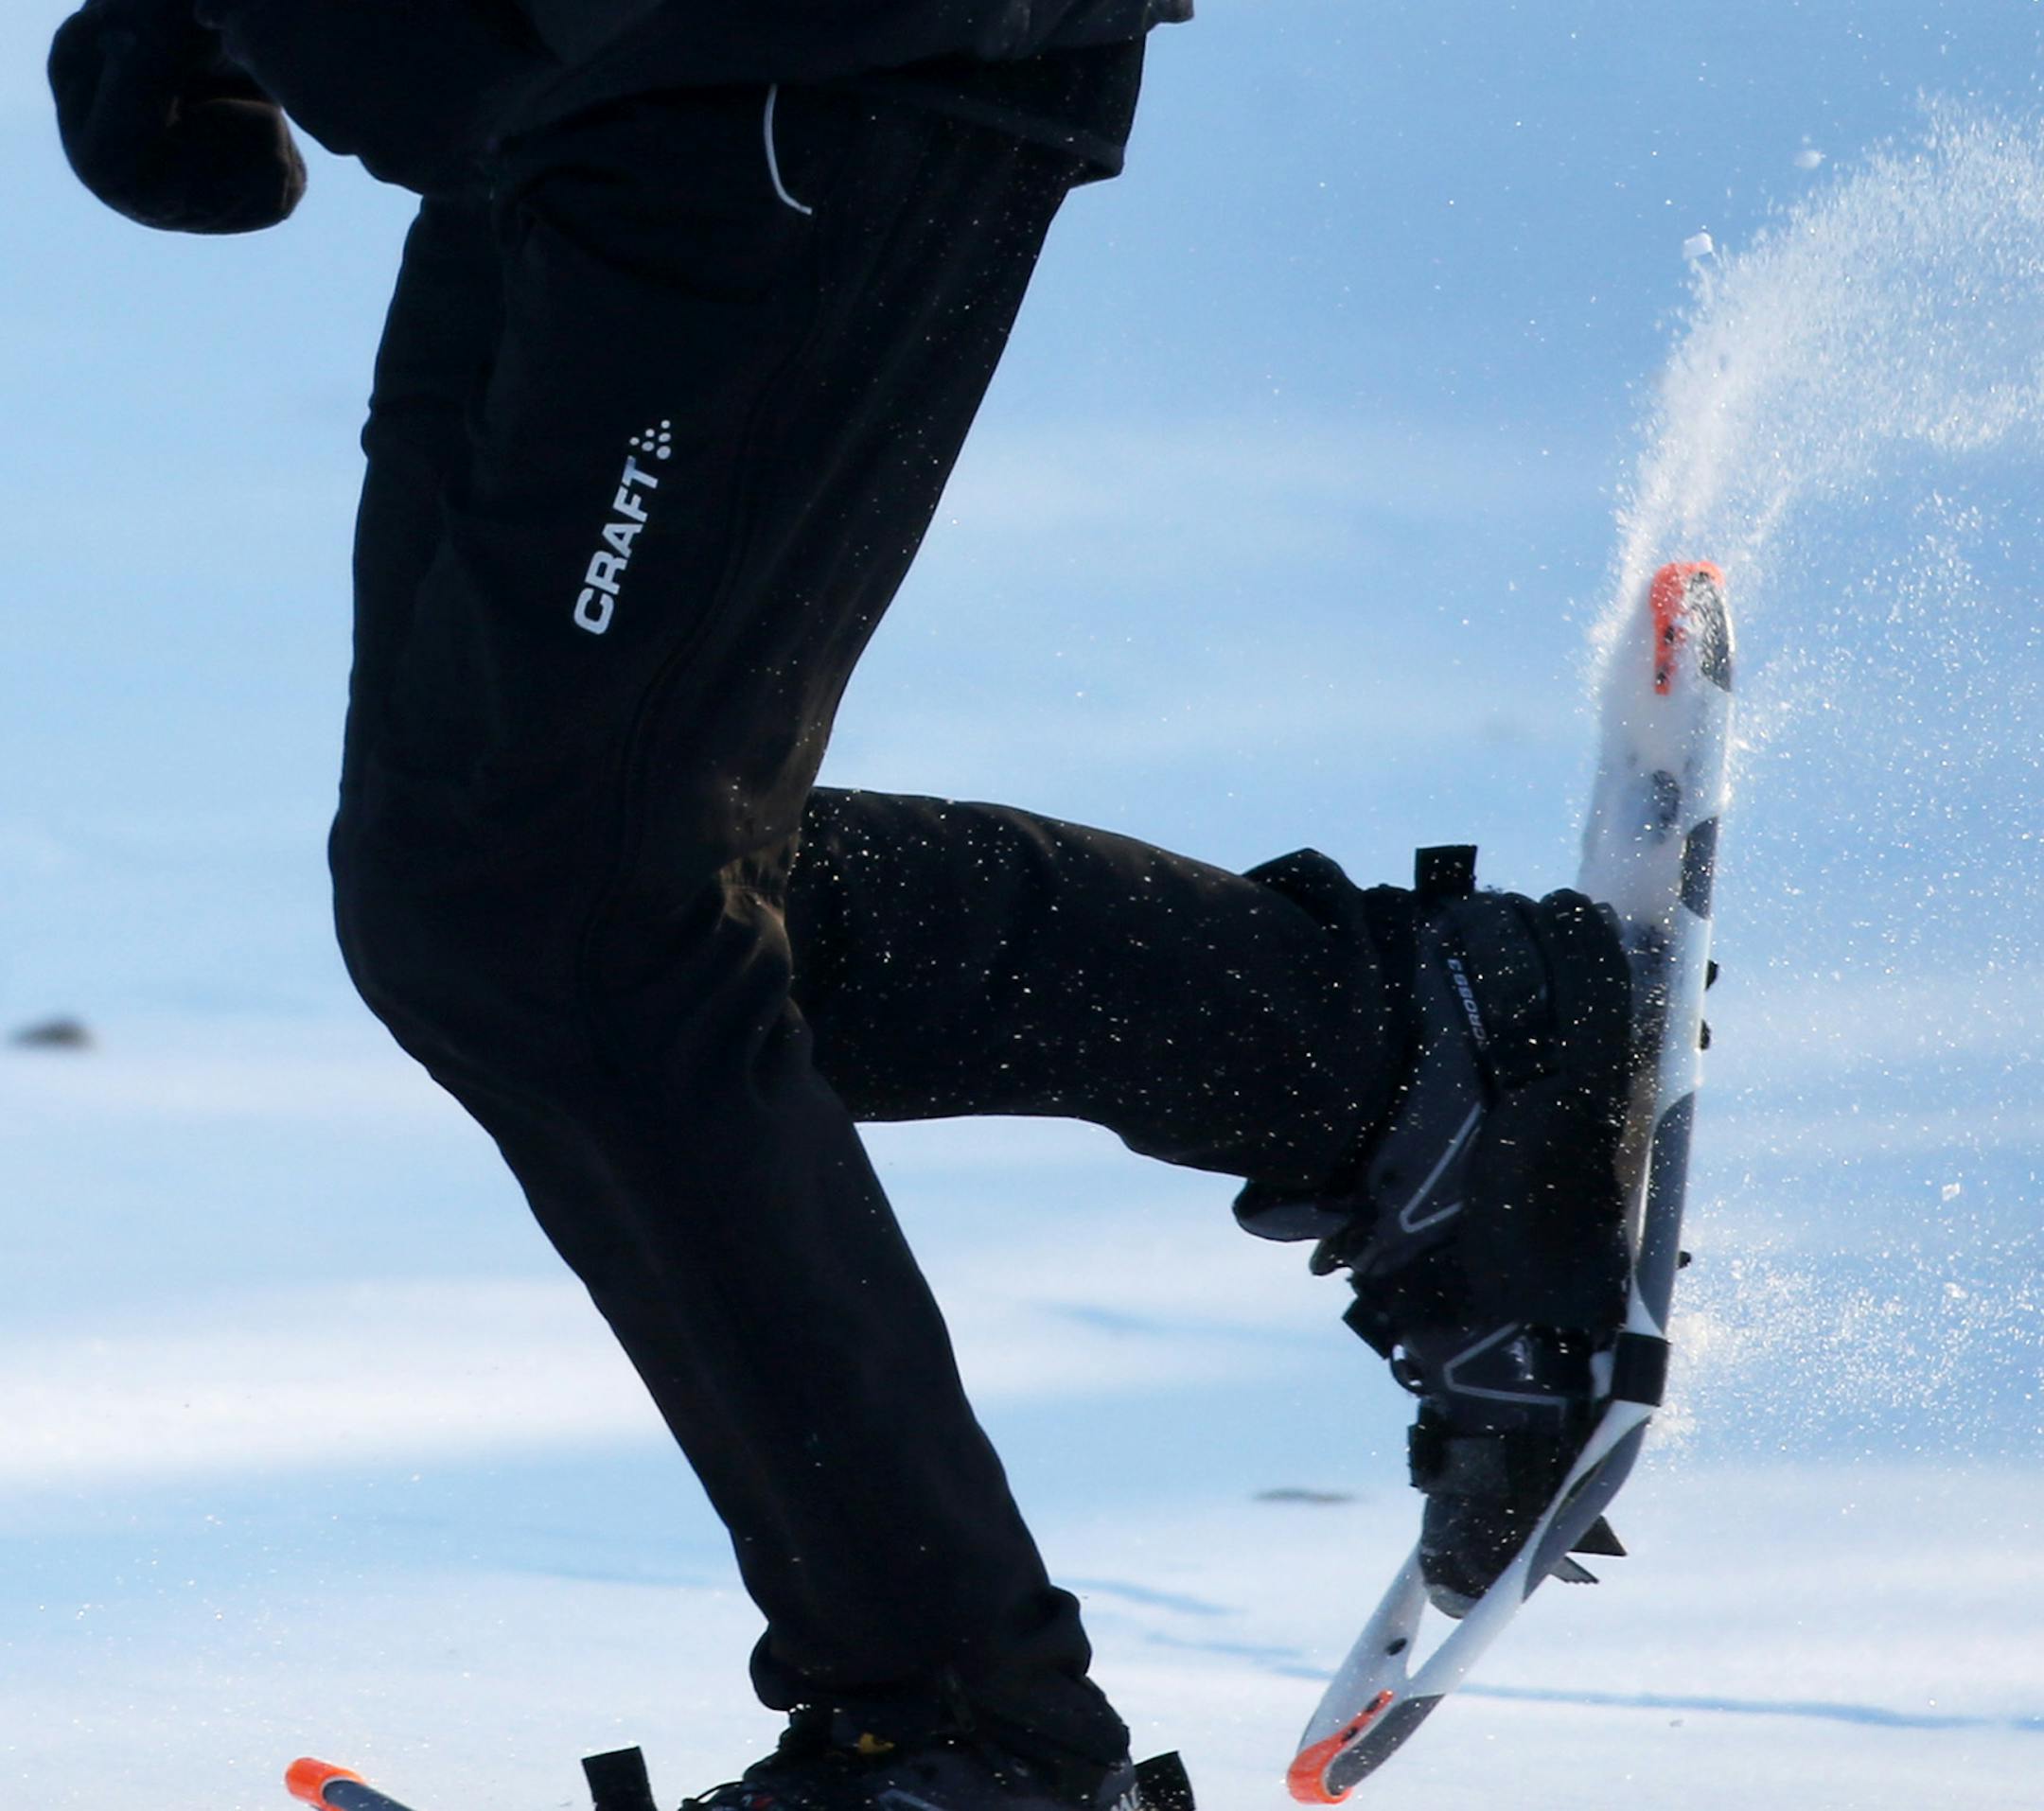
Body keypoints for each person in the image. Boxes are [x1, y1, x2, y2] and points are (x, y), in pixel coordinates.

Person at [47, 6, 1638, 1807]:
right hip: (567, 89)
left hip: (780, 53)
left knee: (572, 914)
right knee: (480, 899)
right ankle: (1386, 1058)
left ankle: (967, 1729)